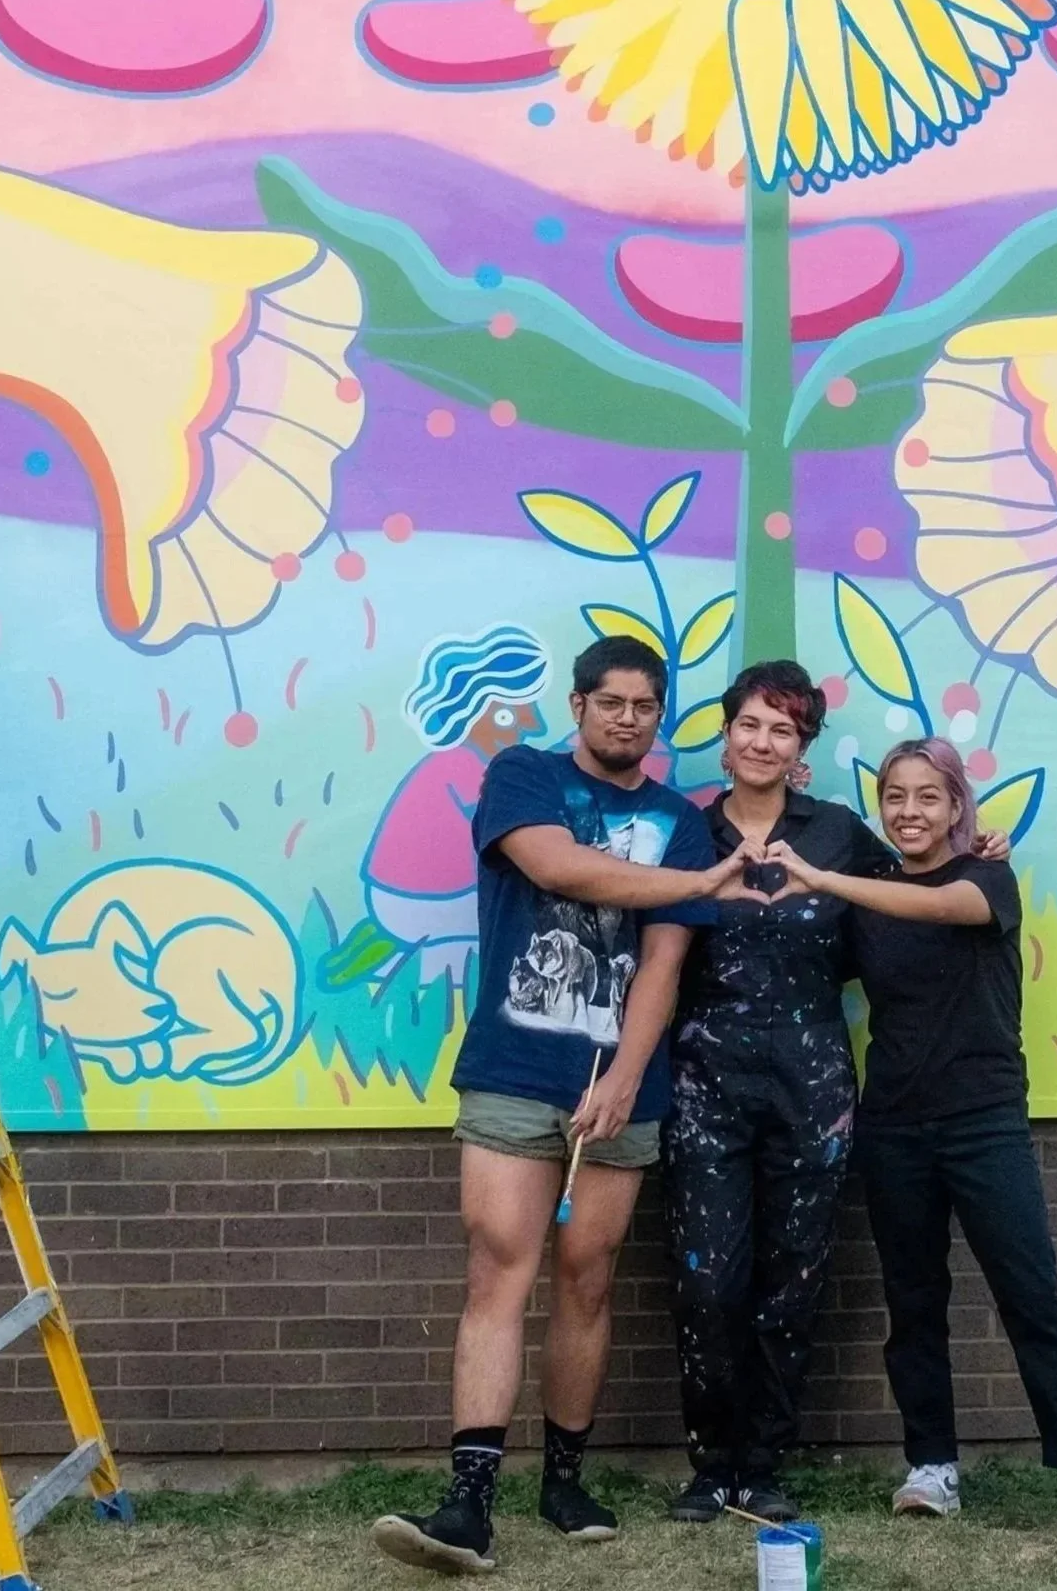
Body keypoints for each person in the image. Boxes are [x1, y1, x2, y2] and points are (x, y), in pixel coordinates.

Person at [372, 635, 752, 1577]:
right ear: (578, 704)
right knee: (498, 1270)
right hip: (514, 1071)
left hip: (623, 1089)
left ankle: (565, 1479)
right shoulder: (523, 775)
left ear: (658, 719)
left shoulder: (679, 817)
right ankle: (469, 1502)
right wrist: (699, 884)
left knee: (588, 1278)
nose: (627, 719)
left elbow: (665, 960)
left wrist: (628, 1077)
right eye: (611, 702)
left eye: (644, 707)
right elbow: (557, 870)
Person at [663, 662, 1012, 1526]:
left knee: (794, 1279)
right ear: (727, 731)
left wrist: (979, 850)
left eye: (782, 729)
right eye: (750, 724)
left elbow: (917, 885)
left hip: (814, 1083)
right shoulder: (685, 833)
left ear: (801, 747)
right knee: (709, 1281)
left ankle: (766, 1462)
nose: (762, 741)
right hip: (706, 1080)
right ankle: (712, 1467)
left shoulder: (841, 836)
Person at [768, 738, 1057, 1553]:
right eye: (894, 797)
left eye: (929, 797)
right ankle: (932, 1465)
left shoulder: (986, 879)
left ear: (958, 806)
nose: (909, 812)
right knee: (915, 1303)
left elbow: (939, 908)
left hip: (985, 1119)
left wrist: (824, 876)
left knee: (1031, 1296)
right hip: (894, 1125)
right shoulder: (871, 897)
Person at [338, 626, 549, 997]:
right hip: (412, 900)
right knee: (503, 935)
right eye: (518, 713)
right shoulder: (465, 767)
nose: (535, 725)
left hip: (410, 897)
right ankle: (405, 966)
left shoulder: (467, 763)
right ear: (484, 712)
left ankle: (396, 957)